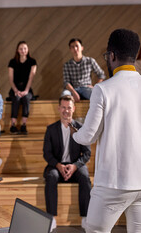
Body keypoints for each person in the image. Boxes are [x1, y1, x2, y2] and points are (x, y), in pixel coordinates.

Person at [71, 29, 141, 232]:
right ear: (134, 56)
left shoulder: (104, 89)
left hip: (113, 184)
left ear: (112, 56)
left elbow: (88, 136)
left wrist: (73, 130)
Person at [43, 95, 91, 231]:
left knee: (85, 177)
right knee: (51, 177)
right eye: (63, 107)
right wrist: (59, 165)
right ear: (59, 109)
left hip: (75, 165)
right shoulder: (51, 129)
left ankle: (85, 218)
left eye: (69, 108)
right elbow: (47, 153)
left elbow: (87, 153)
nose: (66, 110)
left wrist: (75, 166)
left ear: (73, 109)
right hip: (56, 165)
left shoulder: (81, 128)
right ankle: (51, 217)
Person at [8, 41, 37, 135]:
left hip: (26, 88)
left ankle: (24, 125)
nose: (23, 50)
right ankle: (13, 125)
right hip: (15, 88)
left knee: (26, 98)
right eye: (21, 48)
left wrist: (26, 90)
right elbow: (11, 79)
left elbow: (31, 78)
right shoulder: (12, 62)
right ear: (17, 50)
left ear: (28, 50)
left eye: (25, 48)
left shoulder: (32, 62)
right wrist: (16, 90)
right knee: (16, 98)